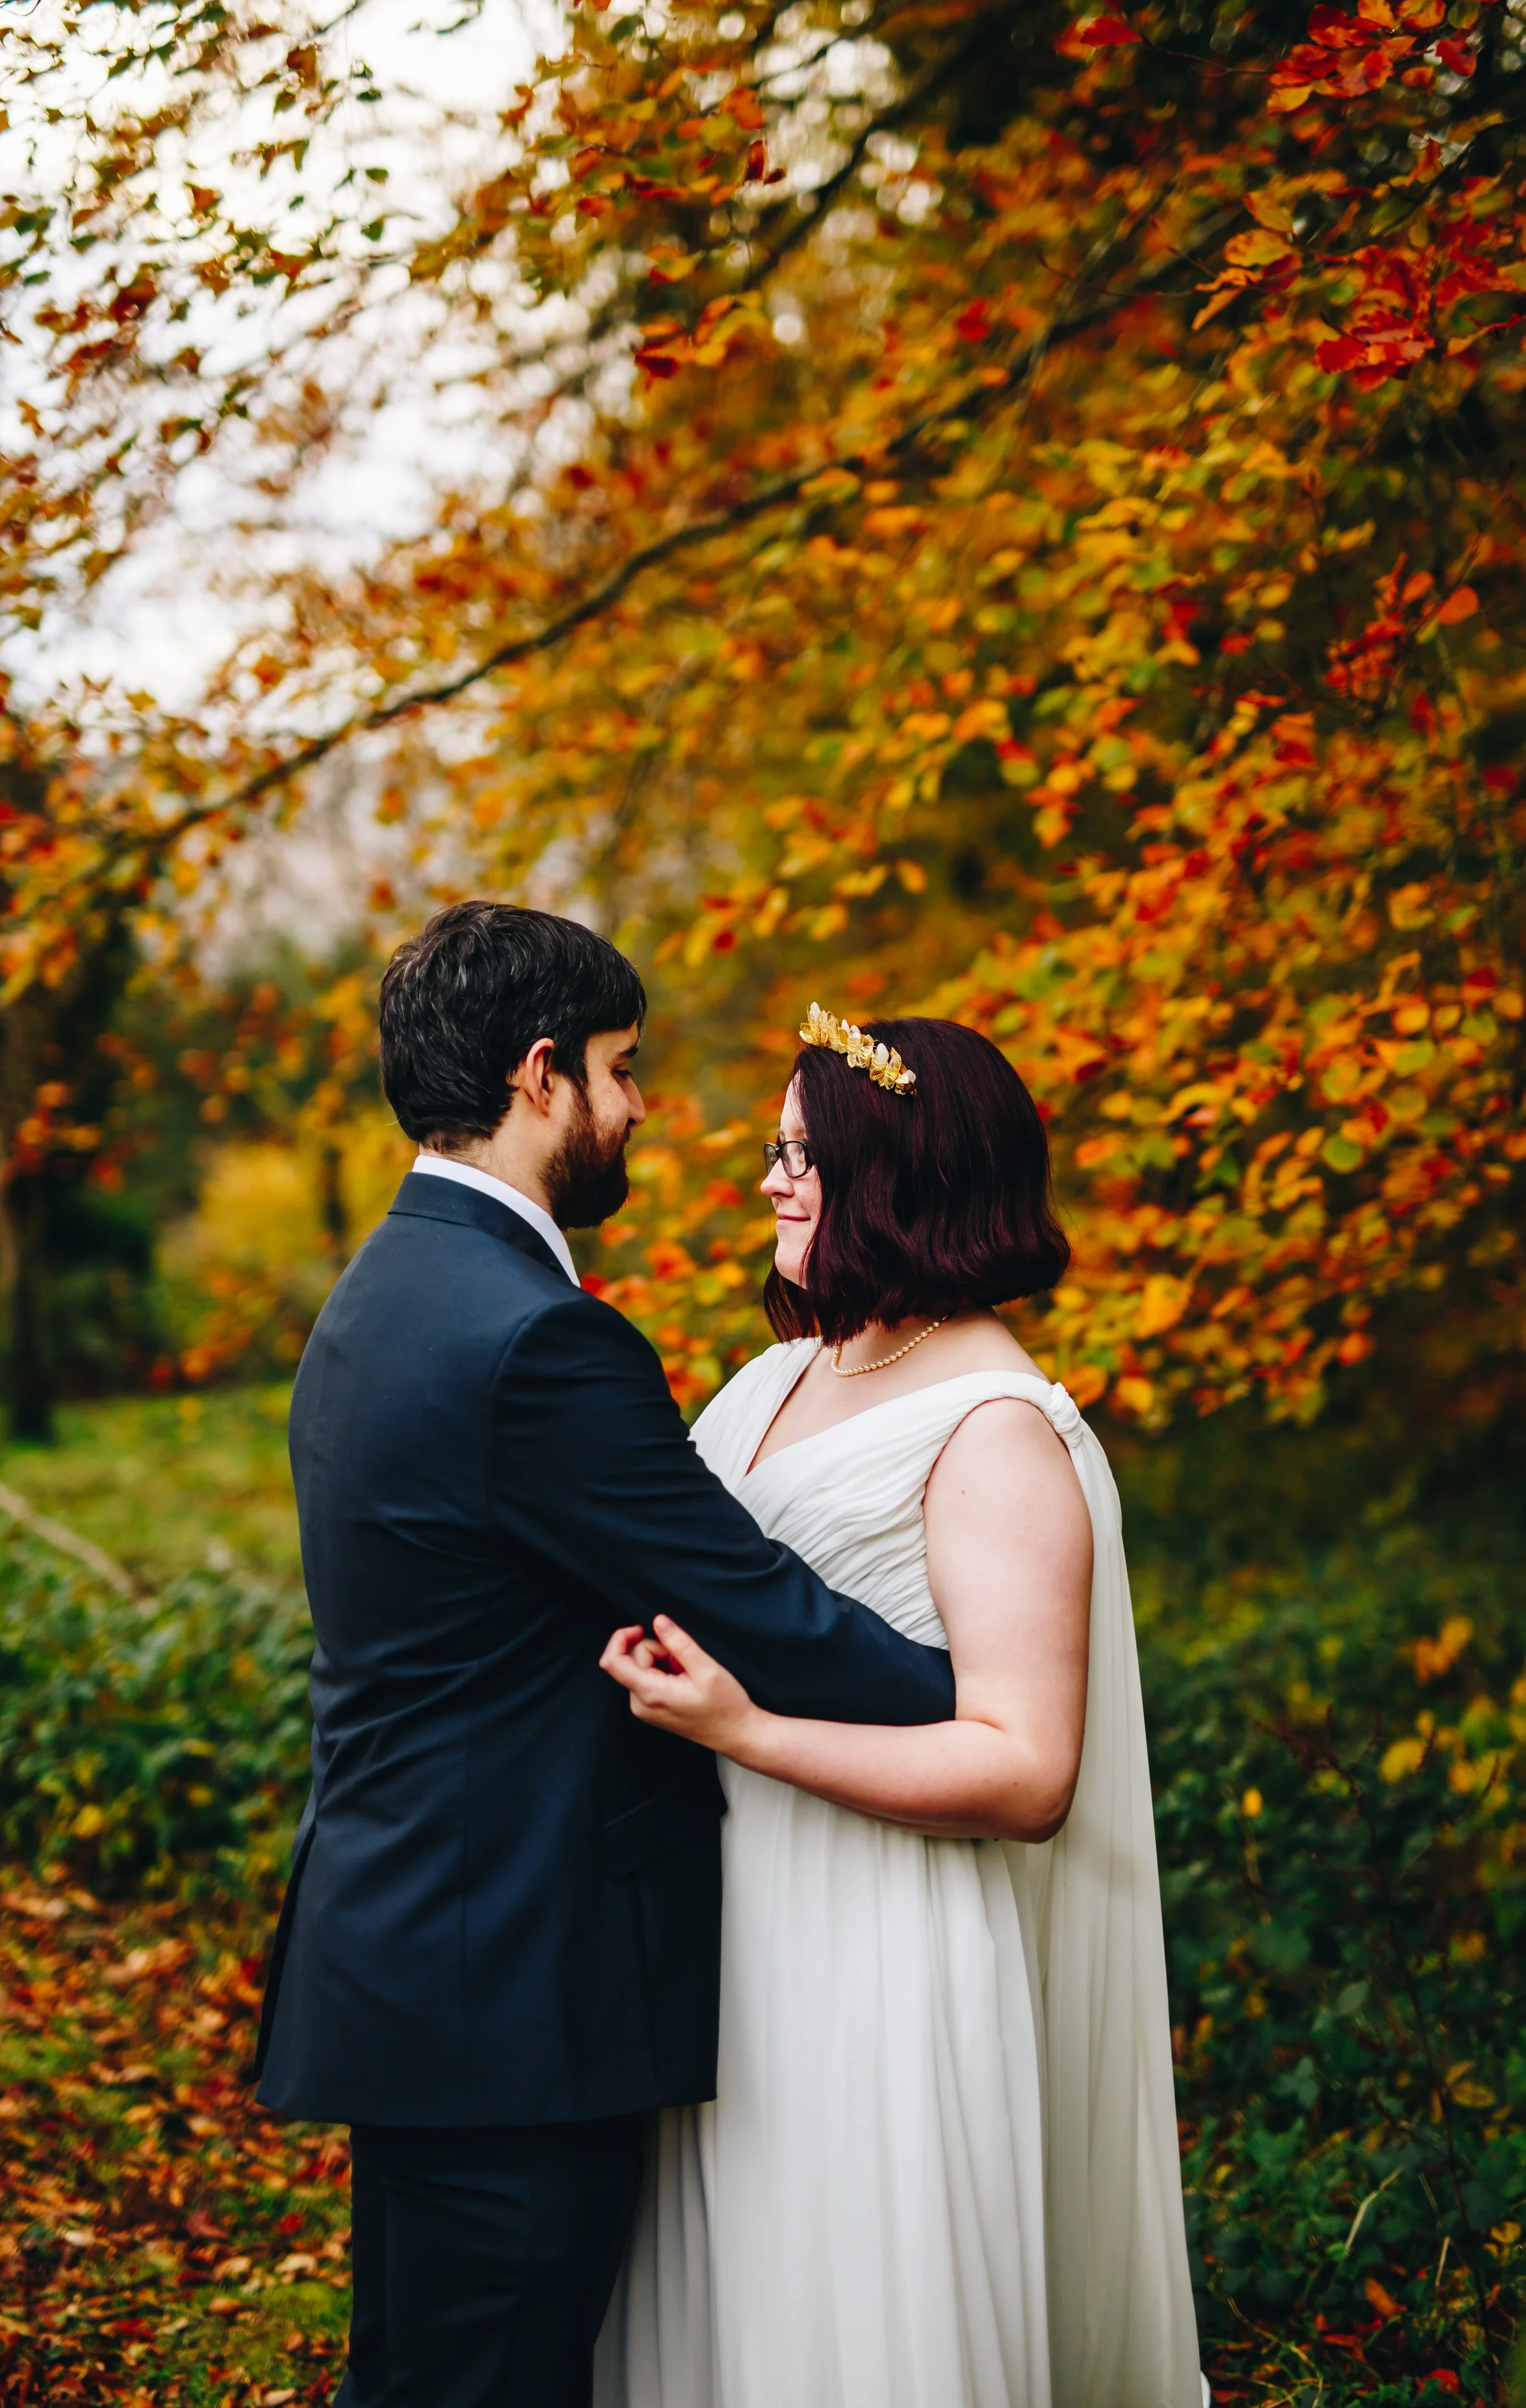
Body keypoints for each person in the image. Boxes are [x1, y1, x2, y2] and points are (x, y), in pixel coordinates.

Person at [250, 910, 960, 2408]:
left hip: (424, 1949)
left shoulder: (387, 1287)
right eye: (621, 1071)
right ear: (540, 1075)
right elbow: (750, 1605)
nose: (638, 1108)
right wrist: (981, 1709)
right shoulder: (535, 1338)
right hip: (510, 1977)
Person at [594, 1006, 1203, 2408]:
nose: (770, 1181)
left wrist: (743, 1733)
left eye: (805, 1154)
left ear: (904, 1169)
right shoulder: (774, 1376)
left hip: (880, 1938)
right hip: (732, 1916)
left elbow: (1024, 1769)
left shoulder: (994, 1431)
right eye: (775, 1150)